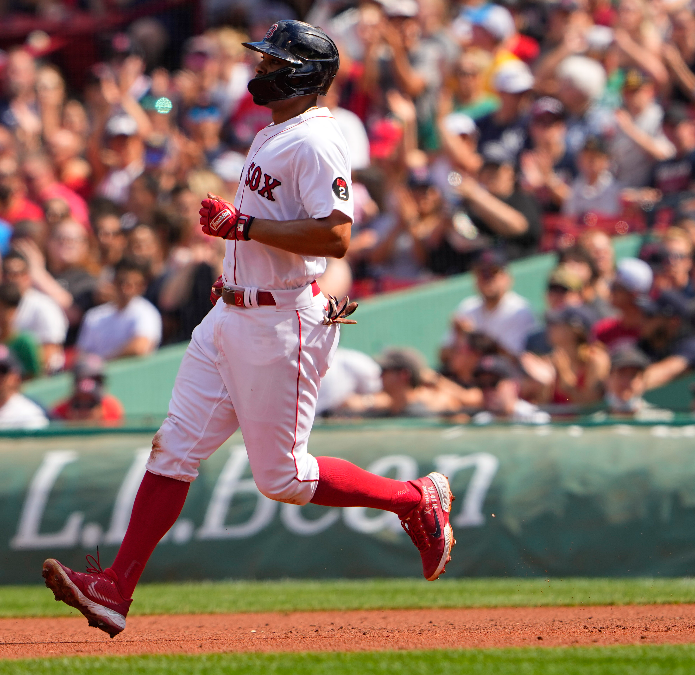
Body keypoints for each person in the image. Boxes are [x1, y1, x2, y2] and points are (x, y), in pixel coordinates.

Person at [42, 22, 456, 639]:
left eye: (271, 63)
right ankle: (115, 589)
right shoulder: (275, 131)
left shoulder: (317, 140)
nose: (258, 71)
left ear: (302, 74)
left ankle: (415, 500)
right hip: (233, 313)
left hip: (282, 321)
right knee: (173, 448)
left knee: (283, 479)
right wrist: (238, 264)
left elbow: (336, 236)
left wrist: (243, 231)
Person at [447, 250, 537, 355]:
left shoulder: (519, 310)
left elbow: (514, 360)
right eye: (482, 272)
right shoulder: (467, 307)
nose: (487, 278)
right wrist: (458, 338)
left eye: (493, 272)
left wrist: (475, 336)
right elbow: (444, 355)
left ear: (507, 277)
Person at [75, 258, 163, 360]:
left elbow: (140, 348)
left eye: (134, 285)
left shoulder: (147, 312)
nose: (126, 289)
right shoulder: (94, 316)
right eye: (121, 283)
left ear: (142, 287)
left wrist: (102, 364)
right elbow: (81, 355)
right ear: (113, 282)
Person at [472, 354, 549, 424]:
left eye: (494, 383)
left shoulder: (534, 418)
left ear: (514, 385)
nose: (488, 390)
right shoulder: (481, 421)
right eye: (482, 384)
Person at [51, 354, 125, 424]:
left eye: (91, 405)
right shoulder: (59, 411)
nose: (84, 411)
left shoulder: (110, 407)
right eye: (77, 405)